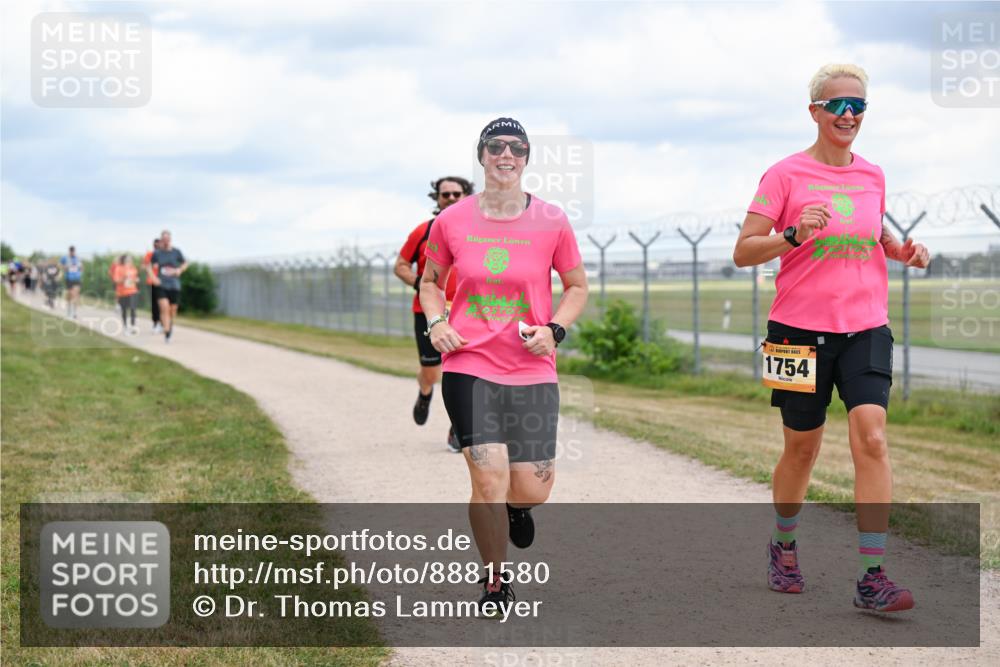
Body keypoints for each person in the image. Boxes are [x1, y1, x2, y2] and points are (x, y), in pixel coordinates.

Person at [732, 64, 930, 613]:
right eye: (838, 105)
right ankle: (785, 544)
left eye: (858, 106)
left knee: (872, 438)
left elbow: (871, 234)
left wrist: (901, 251)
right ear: (815, 111)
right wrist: (792, 234)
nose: (849, 115)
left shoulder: (873, 176)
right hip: (796, 331)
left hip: (866, 325)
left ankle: (872, 575)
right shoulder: (784, 174)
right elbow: (744, 250)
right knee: (802, 447)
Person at [420, 118, 588, 614]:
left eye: (517, 147)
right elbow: (431, 280)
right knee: (487, 477)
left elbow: (577, 287)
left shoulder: (553, 220)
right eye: (496, 146)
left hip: (531, 366)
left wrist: (553, 329)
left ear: (527, 157)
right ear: (482, 154)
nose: (506, 154)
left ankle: (519, 509)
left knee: (532, 487)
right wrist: (436, 322)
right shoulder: (450, 221)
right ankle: (495, 580)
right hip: (469, 363)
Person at [395, 176, 473, 453]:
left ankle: (458, 430)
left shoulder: (478, 231)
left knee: (464, 373)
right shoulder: (423, 231)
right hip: (428, 312)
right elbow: (401, 265)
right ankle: (425, 392)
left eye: (456, 194)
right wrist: (419, 283)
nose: (451, 199)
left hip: (466, 312)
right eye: (445, 195)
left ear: (467, 195)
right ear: (437, 199)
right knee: (432, 372)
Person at [150, 230, 187, 343]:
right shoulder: (157, 253)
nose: (166, 241)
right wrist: (154, 278)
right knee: (164, 307)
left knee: (172, 310)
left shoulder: (176, 252)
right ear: (161, 240)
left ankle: (169, 325)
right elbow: (149, 267)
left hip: (174, 285)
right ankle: (167, 333)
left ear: (170, 240)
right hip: (161, 284)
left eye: (167, 239)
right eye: (163, 239)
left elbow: (185, 263)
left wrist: (179, 270)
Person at [111, 254, 140, 334]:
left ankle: (133, 326)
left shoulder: (133, 268)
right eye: (128, 260)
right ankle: (125, 326)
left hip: (133, 291)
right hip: (122, 292)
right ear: (124, 260)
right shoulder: (119, 268)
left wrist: (136, 280)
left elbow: (136, 278)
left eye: (131, 259)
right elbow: (116, 280)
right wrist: (123, 279)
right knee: (124, 310)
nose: (130, 261)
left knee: (133, 308)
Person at [143, 238, 162, 333]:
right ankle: (156, 323)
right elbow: (144, 266)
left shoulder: (164, 255)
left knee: (164, 303)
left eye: (159, 245)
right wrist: (150, 266)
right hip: (152, 282)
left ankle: (163, 323)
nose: (157, 246)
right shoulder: (149, 255)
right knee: (155, 304)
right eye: (155, 245)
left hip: (164, 282)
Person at [60, 246, 83, 319]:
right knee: (69, 296)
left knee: (75, 295)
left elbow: (82, 267)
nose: (72, 253)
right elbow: (60, 264)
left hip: (77, 279)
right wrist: (64, 268)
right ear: (69, 251)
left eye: (73, 251)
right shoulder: (65, 258)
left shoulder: (78, 258)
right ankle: (68, 312)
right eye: (71, 251)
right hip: (69, 279)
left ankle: (74, 313)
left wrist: (80, 273)